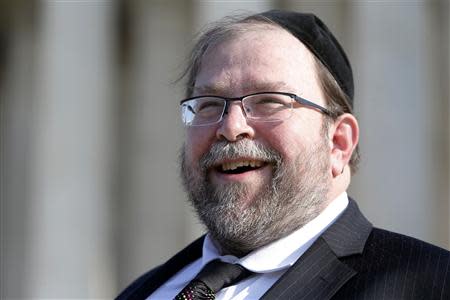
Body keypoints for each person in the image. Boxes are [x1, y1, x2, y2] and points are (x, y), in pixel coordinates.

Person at [117, 10, 450, 300]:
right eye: (209, 104)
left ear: (338, 143)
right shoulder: (144, 291)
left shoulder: (432, 284)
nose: (231, 128)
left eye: (269, 102)